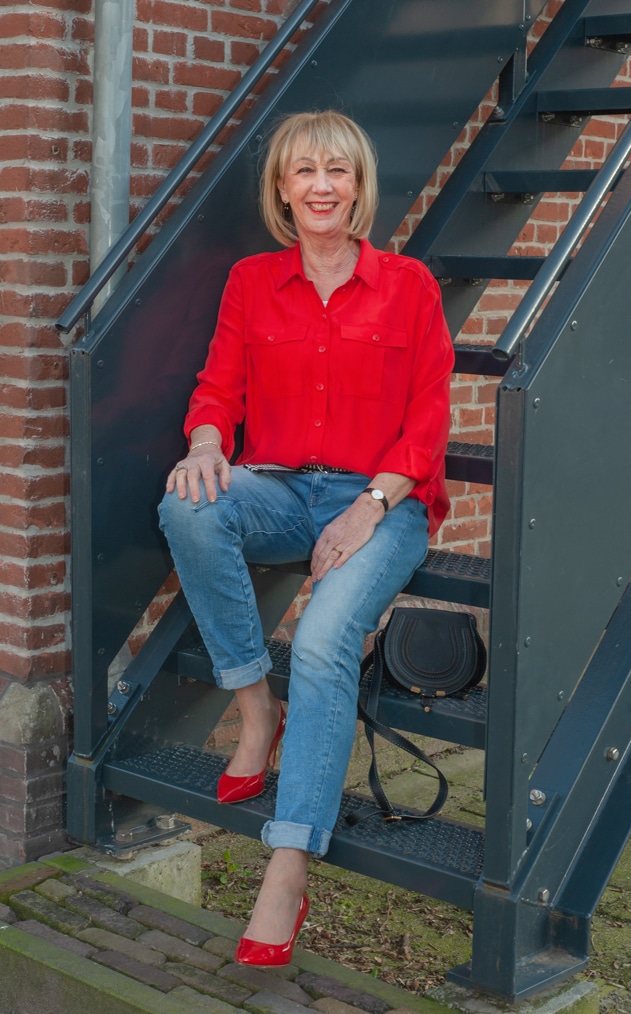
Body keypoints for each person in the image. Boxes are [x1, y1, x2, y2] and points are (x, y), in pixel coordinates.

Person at [159, 110, 454, 966]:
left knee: (326, 640)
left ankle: (287, 864)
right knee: (187, 506)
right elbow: (217, 388)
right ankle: (257, 709)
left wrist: (368, 507)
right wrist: (207, 443)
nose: (320, 187)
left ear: (357, 185)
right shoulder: (253, 281)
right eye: (302, 173)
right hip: (282, 490)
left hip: (383, 500)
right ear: (282, 189)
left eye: (336, 171)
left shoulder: (408, 285)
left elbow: (429, 420)